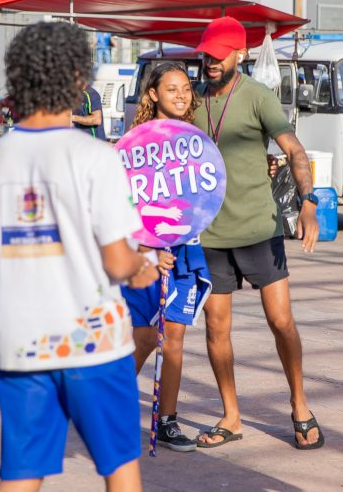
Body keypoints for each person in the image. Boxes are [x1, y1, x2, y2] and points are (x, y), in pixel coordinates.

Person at [0, 21, 167, 492]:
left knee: (22, 477)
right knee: (120, 472)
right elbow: (119, 262)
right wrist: (144, 267)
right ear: (79, 79)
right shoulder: (96, 157)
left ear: (20, 78)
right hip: (93, 346)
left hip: (22, 345)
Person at [190, 16, 323, 451]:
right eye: (206, 53)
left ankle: (300, 404)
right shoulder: (191, 100)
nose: (210, 60)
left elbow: (294, 150)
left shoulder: (257, 97)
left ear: (239, 55)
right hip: (209, 235)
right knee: (215, 329)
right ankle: (231, 416)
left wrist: (307, 202)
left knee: (281, 321)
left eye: (219, 54)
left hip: (258, 228)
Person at [122, 61, 214, 453]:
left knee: (174, 337)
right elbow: (118, 202)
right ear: (153, 94)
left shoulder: (197, 141)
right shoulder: (135, 142)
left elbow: (206, 193)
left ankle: (167, 421)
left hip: (184, 253)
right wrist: (147, 246)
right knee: (143, 337)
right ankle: (110, 408)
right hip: (142, 253)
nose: (181, 95)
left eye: (186, 88)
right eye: (171, 88)